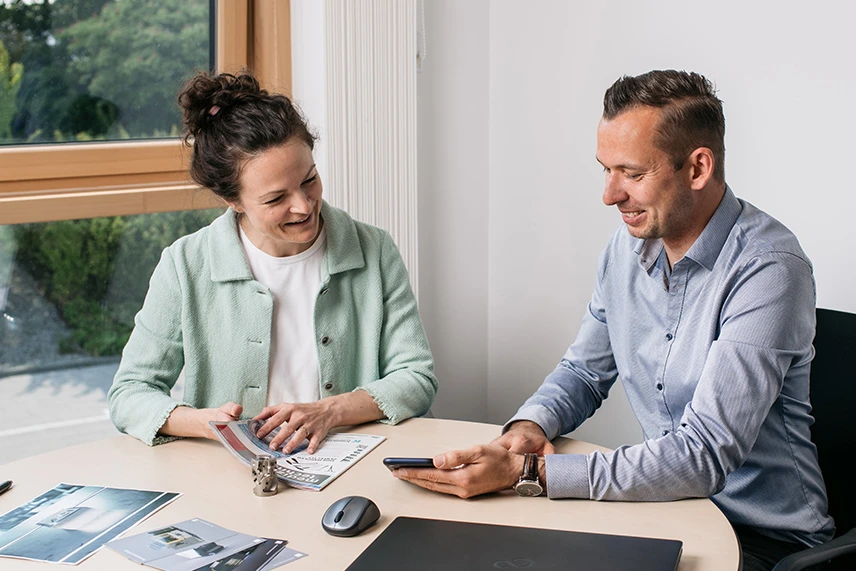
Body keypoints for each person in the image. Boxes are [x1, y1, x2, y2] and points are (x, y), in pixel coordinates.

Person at [394, 70, 833, 571]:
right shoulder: (626, 250)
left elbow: (705, 454)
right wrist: (528, 428)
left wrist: (532, 473)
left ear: (697, 168)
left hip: (762, 542)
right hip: (669, 512)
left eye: (632, 173)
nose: (609, 195)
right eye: (605, 170)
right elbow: (583, 373)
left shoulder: (770, 269)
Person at [108, 71, 437, 455]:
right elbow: (129, 394)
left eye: (309, 179)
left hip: (355, 464)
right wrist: (203, 423)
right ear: (232, 200)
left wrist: (329, 411)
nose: (303, 205)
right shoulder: (185, 265)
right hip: (234, 475)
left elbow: (416, 377)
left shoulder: (373, 249)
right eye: (275, 198)